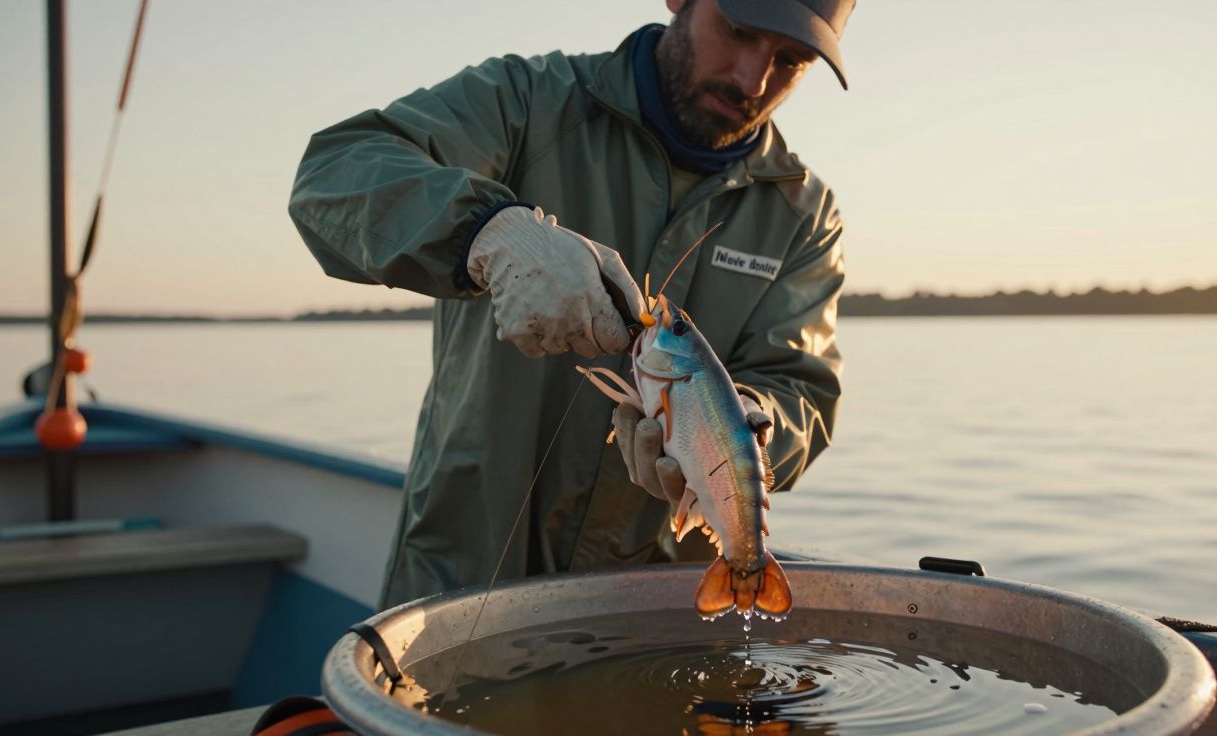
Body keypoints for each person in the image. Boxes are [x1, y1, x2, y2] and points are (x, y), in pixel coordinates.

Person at [289, 0, 852, 610]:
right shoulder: (527, 101)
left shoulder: (804, 216)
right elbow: (333, 175)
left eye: (791, 61)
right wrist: (485, 232)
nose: (752, 80)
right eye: (738, 32)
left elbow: (802, 393)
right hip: (463, 570)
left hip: (663, 604)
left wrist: (744, 424)